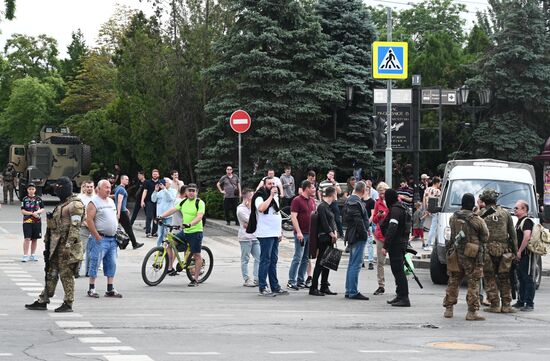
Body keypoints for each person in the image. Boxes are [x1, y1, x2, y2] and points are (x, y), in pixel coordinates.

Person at [25, 177, 85, 312]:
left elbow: (75, 228)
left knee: (66, 274)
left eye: (58, 188)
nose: (56, 191)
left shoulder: (75, 205)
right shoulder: (63, 204)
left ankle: (68, 303)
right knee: (50, 272)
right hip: (56, 246)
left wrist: (68, 246)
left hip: (66, 247)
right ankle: (43, 299)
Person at [443, 193, 489, 320]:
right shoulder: (477, 220)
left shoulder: (453, 217)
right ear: (472, 204)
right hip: (472, 257)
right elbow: (485, 237)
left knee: (453, 281)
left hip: (456, 254)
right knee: (473, 283)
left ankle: (448, 309)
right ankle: (471, 312)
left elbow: (452, 235)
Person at [246, 177, 288, 297]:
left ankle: (275, 286)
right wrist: (270, 196)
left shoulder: (275, 196)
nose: (272, 185)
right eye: (269, 183)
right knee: (265, 260)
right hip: (265, 233)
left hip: (274, 233)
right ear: (264, 185)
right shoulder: (260, 196)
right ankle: (263, 287)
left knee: (273, 260)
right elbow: (261, 208)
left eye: (273, 183)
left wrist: (280, 231)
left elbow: (277, 213)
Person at [479, 188, 518, 314]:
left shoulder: (481, 214)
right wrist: (515, 252)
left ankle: (494, 304)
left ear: (484, 200)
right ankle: (506, 304)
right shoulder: (505, 213)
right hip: (504, 250)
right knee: (504, 277)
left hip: (486, 250)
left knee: (489, 277)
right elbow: (512, 234)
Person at [159, 184, 205, 286]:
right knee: (170, 244)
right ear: (186, 192)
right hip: (185, 232)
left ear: (196, 192)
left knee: (197, 255)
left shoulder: (199, 203)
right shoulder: (183, 202)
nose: (191, 193)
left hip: (195, 232)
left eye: (194, 191)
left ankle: (195, 279)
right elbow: (173, 210)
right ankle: (172, 266)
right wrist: (161, 217)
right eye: (190, 191)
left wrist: (190, 224)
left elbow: (199, 216)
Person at [86, 179, 123, 298]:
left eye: (109, 187)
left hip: (112, 239)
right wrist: (96, 235)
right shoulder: (94, 202)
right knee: (95, 262)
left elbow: (114, 217)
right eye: (106, 187)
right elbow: (89, 220)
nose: (108, 190)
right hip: (100, 238)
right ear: (99, 189)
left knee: (111, 263)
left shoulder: (111, 201)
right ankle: (91, 288)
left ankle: (110, 288)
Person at [381, 189, 411, 307]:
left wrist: (385, 246)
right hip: (400, 243)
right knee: (397, 270)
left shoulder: (395, 210)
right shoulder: (400, 208)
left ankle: (404, 297)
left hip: (396, 244)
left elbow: (393, 227)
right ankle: (400, 295)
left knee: (398, 271)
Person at [287, 180, 316, 290]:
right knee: (298, 257)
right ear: (307, 188)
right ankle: (291, 280)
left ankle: (300, 280)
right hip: (301, 233)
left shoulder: (312, 201)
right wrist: (298, 232)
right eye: (312, 188)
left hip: (310, 233)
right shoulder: (297, 200)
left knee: (305, 258)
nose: (314, 190)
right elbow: (293, 217)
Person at [343, 181, 370, 300]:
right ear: (363, 191)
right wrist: (364, 234)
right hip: (357, 236)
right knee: (356, 264)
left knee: (352, 263)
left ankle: (349, 290)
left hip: (353, 234)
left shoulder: (350, 200)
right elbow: (358, 221)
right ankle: (353, 291)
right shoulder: (355, 201)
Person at [309, 186, 338, 296]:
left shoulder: (329, 207)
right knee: (320, 263)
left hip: (330, 237)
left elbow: (332, 221)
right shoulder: (322, 206)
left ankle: (324, 286)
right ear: (332, 194)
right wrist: (332, 234)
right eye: (336, 193)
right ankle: (313, 287)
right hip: (324, 238)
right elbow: (325, 223)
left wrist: (334, 232)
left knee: (327, 263)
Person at [513, 200, 536, 312]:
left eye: (517, 208)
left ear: (524, 209)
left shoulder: (527, 221)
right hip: (521, 255)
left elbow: (527, 237)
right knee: (521, 278)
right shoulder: (519, 221)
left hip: (526, 255)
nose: (515, 210)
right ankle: (521, 301)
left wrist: (520, 251)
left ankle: (529, 303)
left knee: (527, 278)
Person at [236, 189, 260, 287]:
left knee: (259, 257)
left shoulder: (254, 207)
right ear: (246, 197)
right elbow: (251, 220)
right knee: (245, 259)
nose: (254, 198)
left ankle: (257, 278)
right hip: (245, 237)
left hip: (255, 236)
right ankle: (246, 279)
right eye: (252, 196)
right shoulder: (240, 209)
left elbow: (259, 219)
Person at [114, 175, 143, 250]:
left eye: (128, 179)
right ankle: (134, 244)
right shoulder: (121, 190)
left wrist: (125, 208)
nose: (127, 181)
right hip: (122, 212)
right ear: (122, 180)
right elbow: (119, 202)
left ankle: (124, 243)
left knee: (125, 228)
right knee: (128, 228)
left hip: (122, 210)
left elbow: (119, 201)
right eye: (126, 179)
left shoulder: (119, 188)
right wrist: (119, 213)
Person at [371, 181, 390, 295]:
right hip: (381, 234)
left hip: (391, 234)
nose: (381, 196)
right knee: (380, 262)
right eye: (380, 193)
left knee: (396, 261)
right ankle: (381, 285)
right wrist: (378, 215)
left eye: (383, 193)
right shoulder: (377, 202)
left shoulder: (394, 200)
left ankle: (400, 284)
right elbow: (374, 220)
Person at [20, 183, 45, 262]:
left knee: (35, 238)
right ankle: (25, 255)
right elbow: (23, 211)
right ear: (27, 190)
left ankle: (33, 255)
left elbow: (42, 209)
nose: (31, 190)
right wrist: (32, 213)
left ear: (35, 190)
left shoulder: (38, 199)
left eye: (33, 189)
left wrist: (37, 212)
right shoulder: (24, 199)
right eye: (30, 189)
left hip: (37, 221)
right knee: (27, 238)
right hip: (27, 221)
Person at [151, 178, 176, 247]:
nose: (164, 183)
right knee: (160, 234)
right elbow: (153, 199)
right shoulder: (160, 192)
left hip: (168, 216)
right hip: (160, 217)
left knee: (167, 234)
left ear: (170, 183)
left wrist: (164, 189)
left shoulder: (173, 191)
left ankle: (167, 249)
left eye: (166, 182)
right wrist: (155, 191)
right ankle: (159, 249)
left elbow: (171, 198)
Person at [318, 170, 343, 238]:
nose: (331, 176)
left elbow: (339, 192)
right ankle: (328, 232)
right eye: (330, 174)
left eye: (332, 175)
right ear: (327, 175)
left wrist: (334, 184)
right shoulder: (322, 183)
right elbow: (319, 192)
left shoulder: (335, 183)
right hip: (325, 202)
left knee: (337, 218)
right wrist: (320, 200)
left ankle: (341, 233)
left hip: (334, 202)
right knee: (326, 218)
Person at [77, 180, 95, 277]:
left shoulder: (96, 198)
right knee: (81, 249)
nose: (89, 188)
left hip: (94, 227)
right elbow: (78, 213)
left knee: (92, 251)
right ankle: (77, 270)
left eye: (91, 186)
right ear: (84, 187)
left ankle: (89, 271)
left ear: (93, 187)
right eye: (87, 186)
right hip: (83, 226)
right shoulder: (80, 198)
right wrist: (85, 222)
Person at [423, 176, 442, 251]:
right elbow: (439, 202)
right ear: (437, 183)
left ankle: (430, 243)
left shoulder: (427, 189)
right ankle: (429, 243)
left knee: (433, 226)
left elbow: (424, 199)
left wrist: (425, 209)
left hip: (429, 209)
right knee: (433, 227)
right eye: (439, 182)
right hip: (435, 210)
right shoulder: (437, 191)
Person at [141, 169, 160, 237]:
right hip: (149, 201)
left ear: (158, 175)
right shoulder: (147, 182)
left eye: (156, 174)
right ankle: (148, 232)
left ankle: (154, 232)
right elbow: (145, 191)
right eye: (153, 174)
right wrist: (142, 200)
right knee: (149, 216)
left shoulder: (160, 183)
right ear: (152, 175)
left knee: (156, 217)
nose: (155, 175)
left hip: (158, 202)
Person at [361, 187, 376, 270]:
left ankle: (370, 261)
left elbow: (372, 214)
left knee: (369, 244)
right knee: (361, 243)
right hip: (361, 225)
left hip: (368, 225)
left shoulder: (371, 201)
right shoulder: (360, 201)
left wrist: (367, 223)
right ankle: (362, 261)